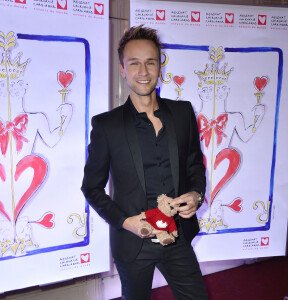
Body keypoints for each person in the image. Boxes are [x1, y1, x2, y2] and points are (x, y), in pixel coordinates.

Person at [81, 25, 208, 300]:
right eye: (134, 63)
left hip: (177, 237)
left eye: (150, 62)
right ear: (122, 69)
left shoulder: (183, 113)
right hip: (134, 242)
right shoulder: (107, 126)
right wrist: (125, 222)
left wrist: (196, 195)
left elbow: (195, 165)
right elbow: (91, 188)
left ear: (160, 65)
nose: (143, 72)